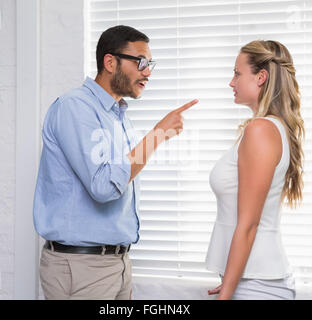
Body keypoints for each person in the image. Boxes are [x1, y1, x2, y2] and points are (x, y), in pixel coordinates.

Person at [33, 25, 198, 300]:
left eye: (150, 64)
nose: (148, 72)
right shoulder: (75, 107)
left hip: (116, 264)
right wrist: (157, 135)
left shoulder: (118, 116)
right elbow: (103, 187)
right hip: (83, 268)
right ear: (110, 62)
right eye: (141, 62)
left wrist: (121, 265)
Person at [205, 40, 305, 300]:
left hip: (258, 286)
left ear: (261, 77)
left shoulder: (260, 130)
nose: (231, 82)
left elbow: (249, 224)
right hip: (251, 281)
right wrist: (230, 281)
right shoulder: (266, 128)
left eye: (237, 73)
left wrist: (225, 295)